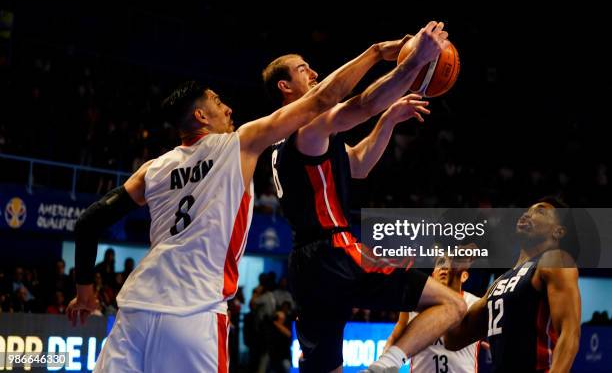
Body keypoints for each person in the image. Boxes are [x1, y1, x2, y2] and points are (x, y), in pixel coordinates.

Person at [66, 29, 438, 372]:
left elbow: (88, 223)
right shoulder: (238, 143)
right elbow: (326, 98)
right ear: (200, 116)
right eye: (217, 102)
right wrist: (379, 53)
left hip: (134, 310)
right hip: (195, 313)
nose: (228, 109)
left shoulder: (152, 170)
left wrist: (84, 292)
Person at [264, 21, 466, 373]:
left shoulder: (286, 142)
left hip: (307, 266)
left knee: (326, 369)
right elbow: (363, 104)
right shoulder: (305, 127)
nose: (313, 72)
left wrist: (388, 121)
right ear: (285, 86)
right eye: (302, 69)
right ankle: (386, 364)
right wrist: (415, 63)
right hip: (334, 251)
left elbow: (358, 165)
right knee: (452, 304)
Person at [444, 198, 581, 373]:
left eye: (540, 211)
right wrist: (454, 277)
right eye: (528, 210)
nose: (527, 214)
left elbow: (569, 334)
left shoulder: (556, 259)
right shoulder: (499, 282)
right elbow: (453, 340)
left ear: (558, 231)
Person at [386, 254, 482, 373]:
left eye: (450, 265)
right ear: (432, 275)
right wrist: (384, 364)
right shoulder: (414, 303)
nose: (444, 268)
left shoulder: (476, 303)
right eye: (440, 264)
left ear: (464, 276)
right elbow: (395, 337)